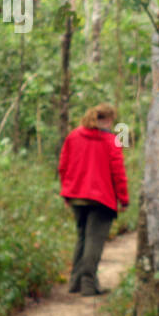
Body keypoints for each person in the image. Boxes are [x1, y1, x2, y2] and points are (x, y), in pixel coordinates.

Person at [58, 102, 129, 295]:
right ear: (107, 119)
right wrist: (123, 198)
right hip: (101, 198)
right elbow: (118, 172)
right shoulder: (111, 140)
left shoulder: (73, 136)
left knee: (82, 237)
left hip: (76, 196)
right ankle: (88, 285)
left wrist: (67, 191)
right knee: (94, 241)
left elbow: (63, 166)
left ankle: (75, 283)